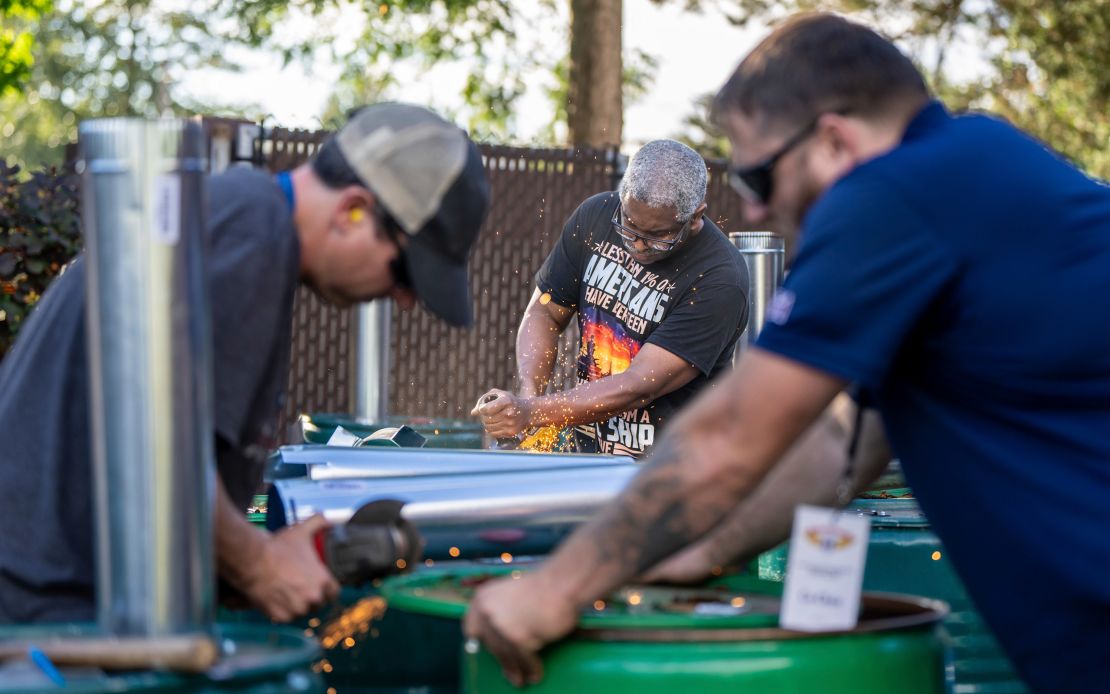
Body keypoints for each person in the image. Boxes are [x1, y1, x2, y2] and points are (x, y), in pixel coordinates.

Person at [463, 13, 1110, 693]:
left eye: (761, 179)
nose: (757, 210)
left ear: (832, 140)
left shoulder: (896, 198)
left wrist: (552, 591)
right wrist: (707, 552)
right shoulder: (976, 169)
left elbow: (731, 435)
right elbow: (842, 446)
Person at [0, 103, 490, 624]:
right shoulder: (251, 233)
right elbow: (156, 449)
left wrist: (271, 557)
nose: (406, 299)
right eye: (405, 272)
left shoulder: (243, 222)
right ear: (352, 209)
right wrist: (258, 565)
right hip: (39, 612)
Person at [472, 139, 747, 458]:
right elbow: (546, 311)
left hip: (672, 469)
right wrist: (529, 392)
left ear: (696, 216)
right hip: (589, 456)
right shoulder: (595, 217)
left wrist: (531, 411)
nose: (638, 246)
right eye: (629, 226)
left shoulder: (719, 278)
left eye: (659, 237)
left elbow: (639, 386)